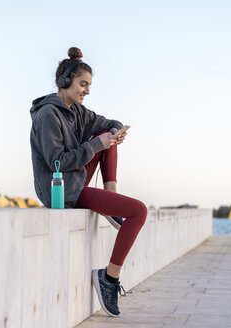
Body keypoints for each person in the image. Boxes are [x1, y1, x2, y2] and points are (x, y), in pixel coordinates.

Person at [29, 47, 147, 316]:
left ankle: (111, 196)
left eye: (89, 85)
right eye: (83, 84)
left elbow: (108, 122)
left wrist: (114, 133)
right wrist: (96, 144)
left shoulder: (76, 110)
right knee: (139, 211)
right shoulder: (48, 115)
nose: (87, 91)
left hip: (75, 179)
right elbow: (56, 161)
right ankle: (109, 278)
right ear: (64, 81)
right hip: (61, 189)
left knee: (108, 131)